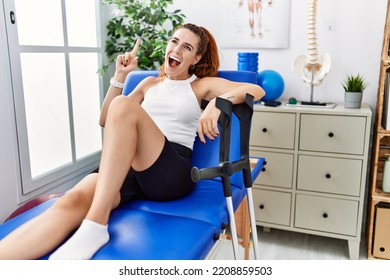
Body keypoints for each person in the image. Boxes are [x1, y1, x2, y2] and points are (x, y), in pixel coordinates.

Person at [0, 23, 264, 260]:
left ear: (195, 58)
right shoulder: (149, 83)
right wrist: (120, 77)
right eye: (174, 42)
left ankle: (95, 225)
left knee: (125, 106)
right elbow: (106, 118)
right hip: (128, 168)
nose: (177, 50)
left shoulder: (200, 86)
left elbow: (256, 90)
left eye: (187, 48)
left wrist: (220, 101)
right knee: (73, 199)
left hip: (170, 171)